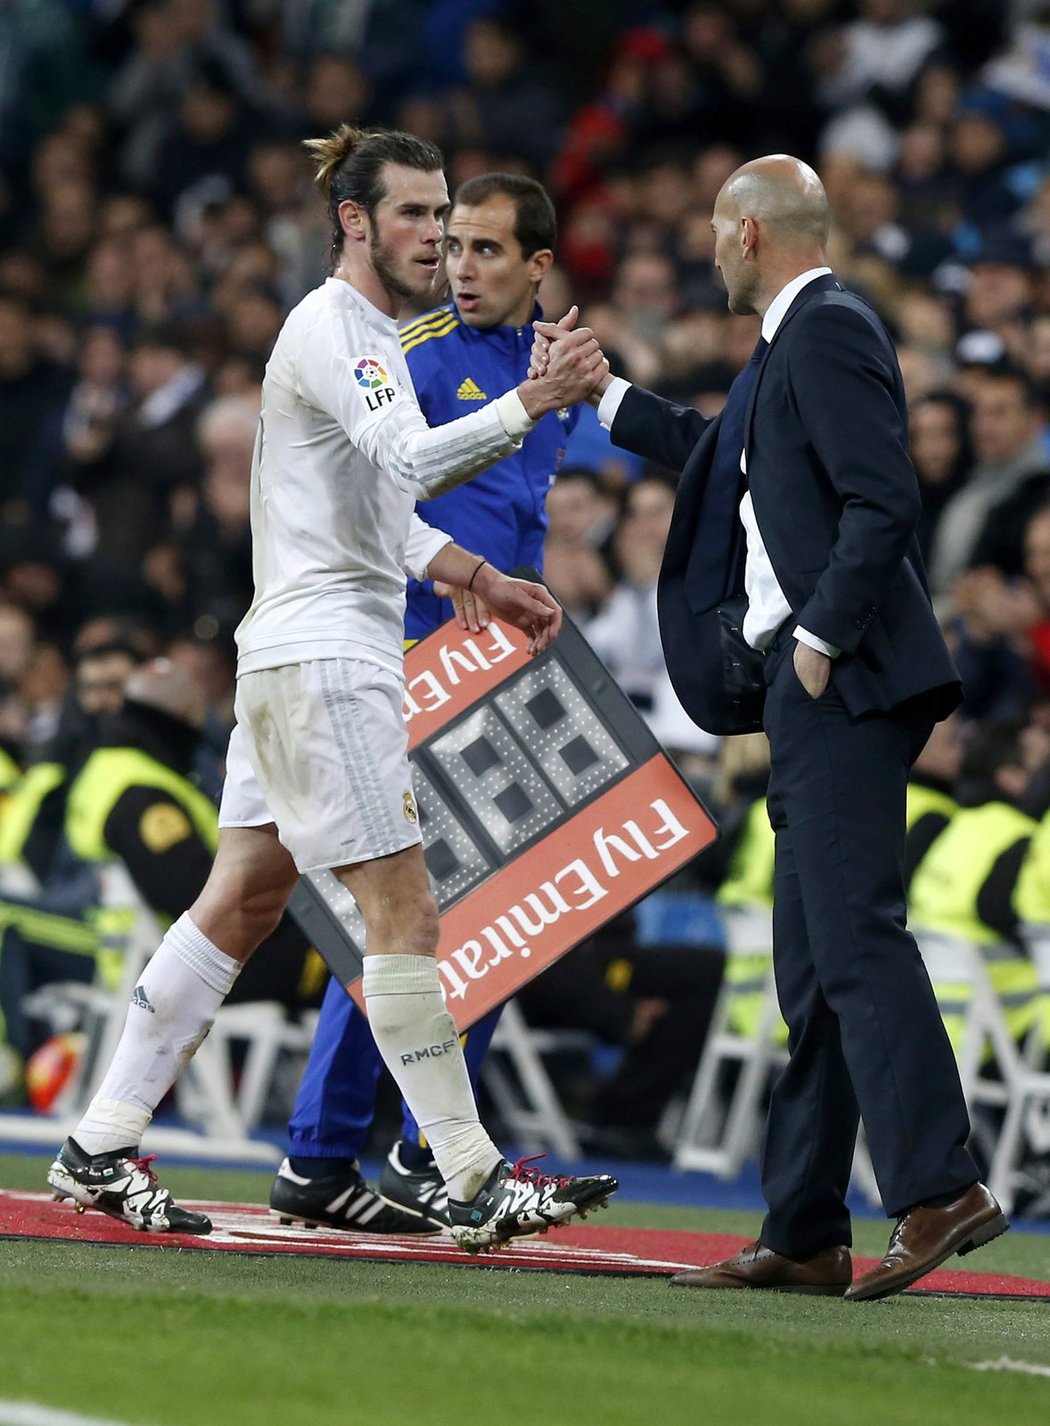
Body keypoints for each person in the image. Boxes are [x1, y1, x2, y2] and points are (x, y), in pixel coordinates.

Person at [47, 125, 617, 1252]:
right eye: (413, 214)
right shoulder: (341, 326)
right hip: (329, 659)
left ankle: (98, 1144)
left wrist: (478, 576)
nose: (436, 235)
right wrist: (532, 403)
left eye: (443, 215)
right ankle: (468, 1173)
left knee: (242, 902)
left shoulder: (363, 334)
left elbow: (376, 506)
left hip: (298, 648)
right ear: (355, 221)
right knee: (405, 910)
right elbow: (410, 462)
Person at [537, 154, 1006, 1301]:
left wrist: (817, 639)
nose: (705, 248)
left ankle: (940, 1187)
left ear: (750, 235)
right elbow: (726, 463)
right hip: (816, 692)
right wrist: (605, 399)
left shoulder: (832, 326)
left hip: (836, 683)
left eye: (712, 229)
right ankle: (803, 1227)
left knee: (852, 941)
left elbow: (883, 495)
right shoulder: (796, 340)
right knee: (813, 969)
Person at [275, 171, 583, 1233]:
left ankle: (419, 1148)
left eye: (487, 250)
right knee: (399, 916)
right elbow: (377, 498)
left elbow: (522, 513)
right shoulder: (408, 357)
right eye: (453, 246)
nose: (461, 268)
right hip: (407, 656)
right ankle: (329, 1145)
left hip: (504, 668)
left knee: (500, 922)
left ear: (538, 266)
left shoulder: (551, 371)